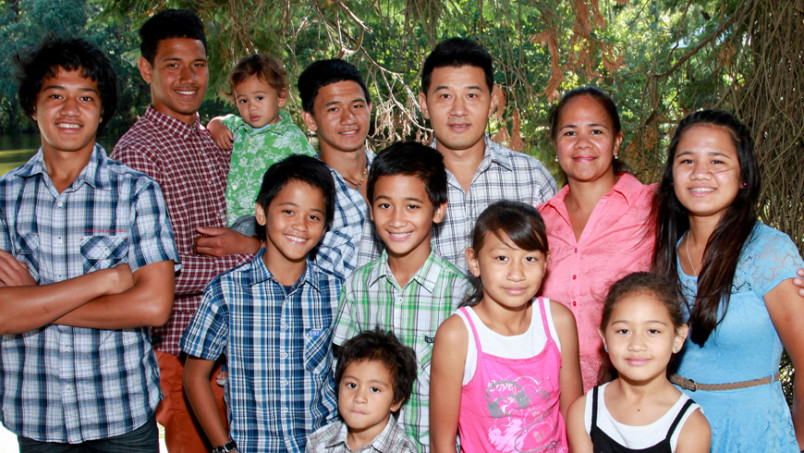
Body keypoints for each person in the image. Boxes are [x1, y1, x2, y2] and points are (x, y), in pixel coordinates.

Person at [0, 37, 179, 451]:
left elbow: (153, 306)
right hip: (36, 415)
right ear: (33, 106)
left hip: (121, 414)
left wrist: (35, 300)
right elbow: (3, 317)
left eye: (85, 97)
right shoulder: (5, 199)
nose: (69, 109)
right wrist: (103, 281)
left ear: (101, 113)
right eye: (55, 95)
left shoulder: (137, 192)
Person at [111, 9, 258, 452]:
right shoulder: (137, 155)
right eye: (171, 65)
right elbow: (154, 275)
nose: (188, 77)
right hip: (182, 350)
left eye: (198, 64)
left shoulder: (213, 138)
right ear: (146, 70)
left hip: (239, 346)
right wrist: (256, 257)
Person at [652, 110, 804, 452]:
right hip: (676, 431)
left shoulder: (769, 252)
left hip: (752, 435)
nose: (700, 173)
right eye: (686, 160)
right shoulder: (668, 250)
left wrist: (797, 440)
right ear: (672, 176)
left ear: (743, 177)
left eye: (717, 161)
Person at [182, 155, 341, 453]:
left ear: (325, 226)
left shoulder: (336, 292)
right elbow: (194, 375)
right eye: (289, 211)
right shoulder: (225, 292)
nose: (301, 226)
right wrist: (223, 447)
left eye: (314, 216)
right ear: (261, 213)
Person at [357, 37, 558, 273]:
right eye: (445, 96)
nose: (459, 111)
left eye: (471, 96)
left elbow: (555, 269)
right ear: (424, 104)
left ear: (493, 101)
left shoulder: (532, 179)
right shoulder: (398, 184)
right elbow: (369, 278)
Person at [333, 142, 469, 451]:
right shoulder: (358, 286)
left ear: (438, 210)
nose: (396, 220)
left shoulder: (461, 293)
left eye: (412, 206)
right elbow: (343, 375)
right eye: (384, 205)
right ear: (370, 208)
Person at [430, 200, 582, 452]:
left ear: (546, 263)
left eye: (530, 259)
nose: (517, 273)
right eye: (502, 257)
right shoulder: (458, 336)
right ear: (475, 261)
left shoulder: (559, 322)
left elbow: (576, 420)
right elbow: (441, 443)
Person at [538, 86, 656, 391]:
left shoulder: (652, 206)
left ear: (617, 141)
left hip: (630, 395)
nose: (582, 143)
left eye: (596, 131)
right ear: (555, 144)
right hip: (549, 399)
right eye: (569, 133)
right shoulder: (538, 222)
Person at [566, 272, 710, 453]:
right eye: (624, 331)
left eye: (653, 331)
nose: (636, 345)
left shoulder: (691, 427)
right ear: (604, 338)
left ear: (678, 338)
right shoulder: (583, 412)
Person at [207, 53, 317, 237]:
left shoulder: (291, 137)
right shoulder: (239, 127)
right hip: (231, 217)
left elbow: (315, 174)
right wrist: (215, 126)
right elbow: (217, 121)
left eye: (259, 98)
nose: (252, 107)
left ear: (280, 97)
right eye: (243, 101)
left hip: (265, 220)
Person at [298, 58, 373, 282]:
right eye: (333, 109)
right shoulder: (304, 189)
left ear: (369, 109)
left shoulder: (396, 174)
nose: (348, 118)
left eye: (357, 106)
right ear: (310, 120)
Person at [306, 328, 418, 452]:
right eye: (352, 385)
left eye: (374, 389)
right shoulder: (319, 442)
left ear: (396, 401)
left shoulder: (402, 450)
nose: (359, 398)